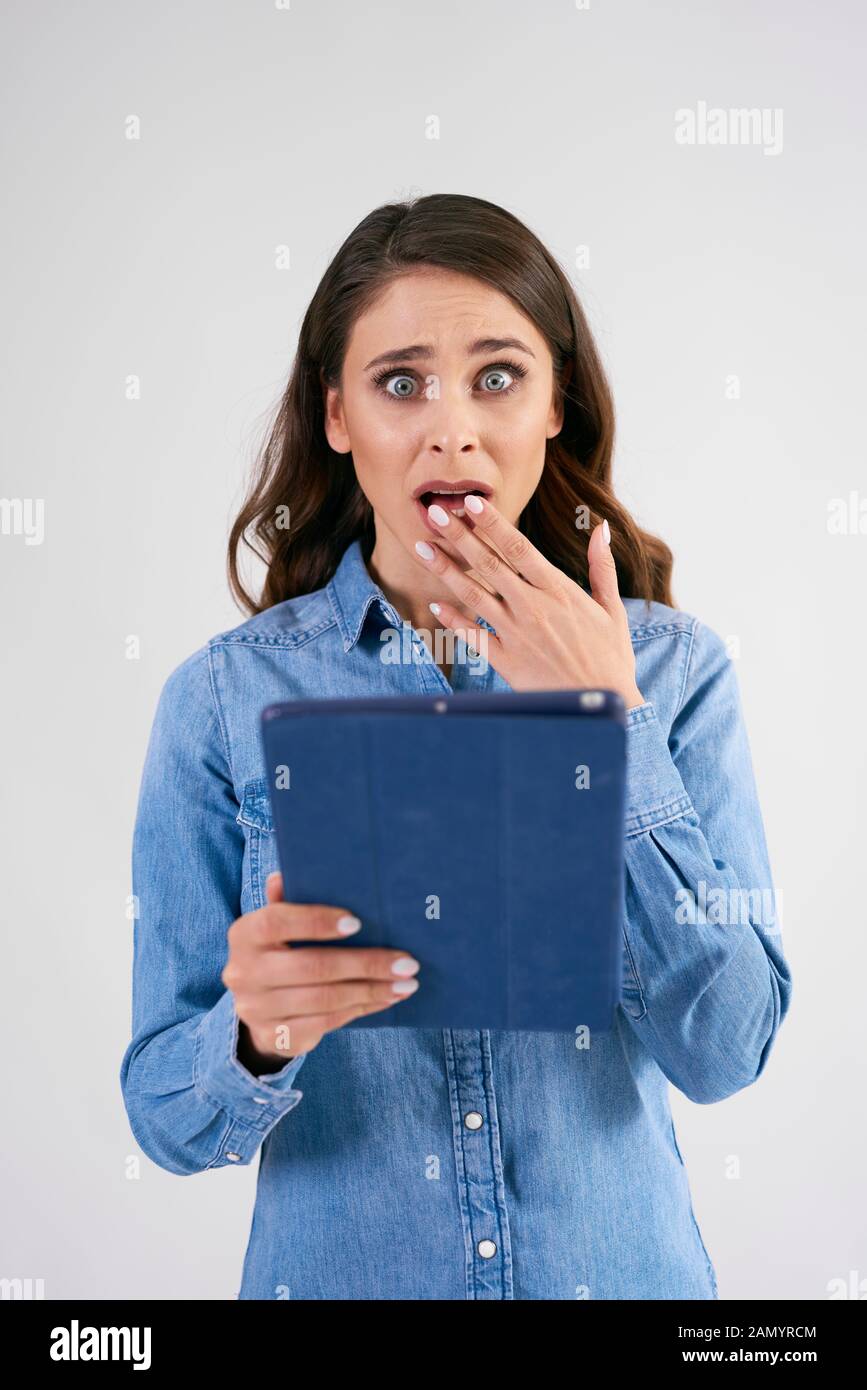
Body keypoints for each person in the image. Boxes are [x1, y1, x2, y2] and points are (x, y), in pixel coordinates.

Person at [119, 193, 792, 1300]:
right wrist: (250, 1037)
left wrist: (611, 720)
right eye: (400, 382)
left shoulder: (677, 671)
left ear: (556, 403)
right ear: (337, 415)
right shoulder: (219, 701)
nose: (452, 427)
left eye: (496, 376)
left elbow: (728, 1049)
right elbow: (164, 1116)